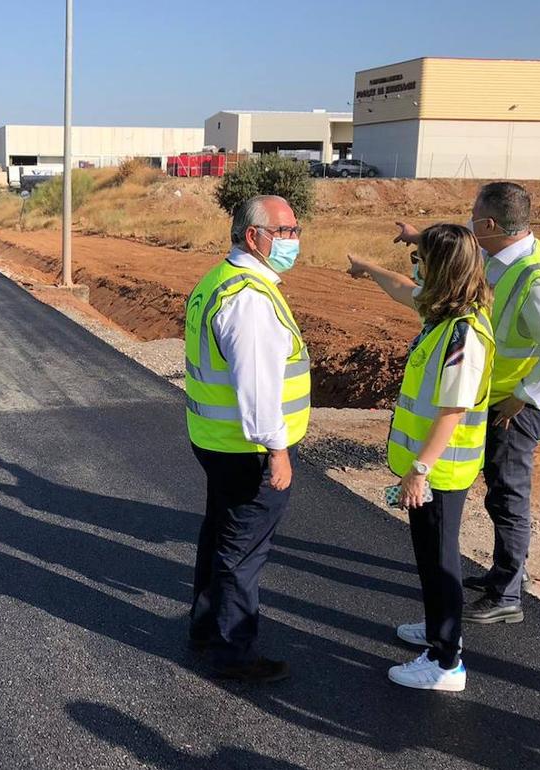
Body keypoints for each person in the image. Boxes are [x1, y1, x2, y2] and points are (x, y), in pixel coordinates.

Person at [392, 183, 540, 624]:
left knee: (508, 496)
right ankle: (503, 573)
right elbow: (460, 254)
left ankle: (507, 592)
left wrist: (523, 397)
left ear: (490, 224)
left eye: (474, 215)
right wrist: (421, 240)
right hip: (491, 398)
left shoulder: (536, 279)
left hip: (516, 408)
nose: (471, 222)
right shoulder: (499, 259)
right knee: (498, 490)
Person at [347, 224, 495, 691]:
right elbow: (401, 289)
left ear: (441, 270)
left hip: (441, 470)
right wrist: (366, 268)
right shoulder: (444, 315)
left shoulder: (461, 336)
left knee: (440, 561)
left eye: (422, 259)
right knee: (430, 557)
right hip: (436, 468)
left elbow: (453, 410)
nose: (416, 266)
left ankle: (446, 661)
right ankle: (437, 630)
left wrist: (419, 470)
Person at [183, 194, 310, 684]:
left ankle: (205, 626)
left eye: (296, 229)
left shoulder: (221, 279)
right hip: (248, 447)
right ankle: (233, 651)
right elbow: (257, 387)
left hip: (218, 439)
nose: (294, 241)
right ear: (254, 236)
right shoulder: (250, 300)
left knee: (219, 533)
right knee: (243, 549)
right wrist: (277, 451)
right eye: (284, 232)